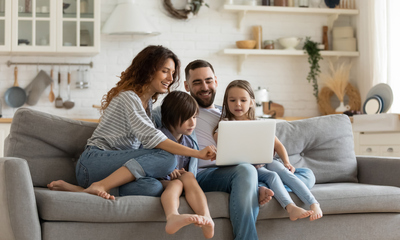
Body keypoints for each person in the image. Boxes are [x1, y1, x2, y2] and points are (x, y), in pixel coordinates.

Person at [156, 59, 316, 240]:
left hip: (240, 169)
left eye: (208, 80)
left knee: (307, 175)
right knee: (246, 170)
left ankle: (256, 187)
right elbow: (156, 140)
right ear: (186, 85)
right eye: (197, 82)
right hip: (205, 174)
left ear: (215, 81)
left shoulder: (227, 114)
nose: (204, 86)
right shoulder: (179, 111)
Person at [47, 46, 216, 201]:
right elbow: (155, 140)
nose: (170, 78)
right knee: (168, 157)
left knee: (154, 187)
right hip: (94, 163)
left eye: (172, 73)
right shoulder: (129, 98)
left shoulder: (148, 105)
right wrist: (198, 154)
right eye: (165, 71)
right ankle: (100, 185)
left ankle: (82, 190)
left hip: (114, 170)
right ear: (148, 70)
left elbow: (154, 136)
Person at [213, 79, 323, 222]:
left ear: (251, 102)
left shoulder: (259, 123)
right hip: (248, 168)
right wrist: (220, 134)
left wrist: (287, 162)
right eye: (232, 100)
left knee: (283, 171)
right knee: (273, 176)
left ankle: (314, 203)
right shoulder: (226, 124)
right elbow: (220, 143)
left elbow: (278, 145)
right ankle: (290, 207)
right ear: (226, 102)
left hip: (267, 161)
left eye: (243, 100)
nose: (238, 104)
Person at [158, 91, 214, 238]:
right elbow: (150, 164)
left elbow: (189, 169)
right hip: (160, 179)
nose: (192, 123)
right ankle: (172, 216)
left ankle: (207, 218)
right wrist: (168, 171)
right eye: (187, 118)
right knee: (176, 184)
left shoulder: (188, 141)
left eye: (194, 117)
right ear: (170, 118)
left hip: (180, 180)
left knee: (188, 176)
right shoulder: (159, 138)